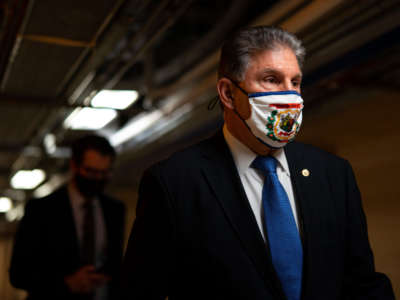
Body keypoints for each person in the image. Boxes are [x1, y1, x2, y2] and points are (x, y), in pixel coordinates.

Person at [119, 26, 394, 299]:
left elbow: (362, 283)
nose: (290, 96)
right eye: (271, 79)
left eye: (295, 82)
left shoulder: (334, 174)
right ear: (228, 94)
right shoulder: (174, 182)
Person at [10, 134, 125, 300]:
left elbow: (115, 264)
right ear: (74, 165)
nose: (98, 179)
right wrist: (66, 283)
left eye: (104, 173)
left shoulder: (115, 209)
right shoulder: (41, 210)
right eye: (91, 171)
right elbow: (19, 274)